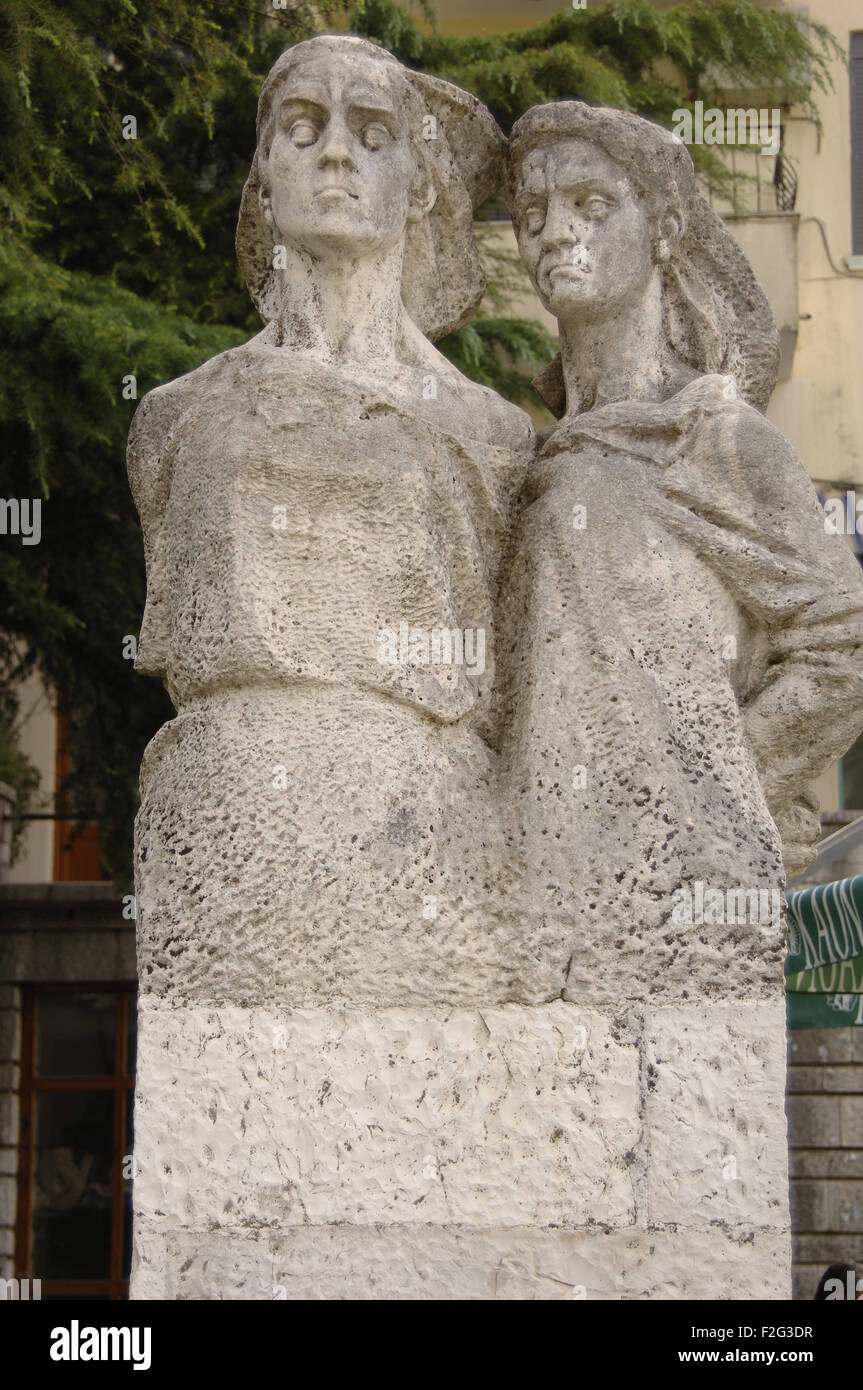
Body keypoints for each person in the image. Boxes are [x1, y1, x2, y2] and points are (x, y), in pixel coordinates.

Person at [128, 37, 536, 1006]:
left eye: (372, 131)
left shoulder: (492, 433)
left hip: (423, 838)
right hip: (228, 829)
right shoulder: (174, 419)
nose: (335, 155)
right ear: (262, 178)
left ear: (419, 182)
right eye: (300, 129)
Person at [497, 102, 863, 1003]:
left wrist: (718, 781)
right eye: (533, 212)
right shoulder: (531, 456)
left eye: (590, 201)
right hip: (533, 880)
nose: (556, 231)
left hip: (678, 887)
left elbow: (844, 641)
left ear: (663, 227)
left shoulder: (716, 438)